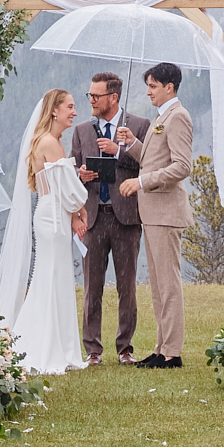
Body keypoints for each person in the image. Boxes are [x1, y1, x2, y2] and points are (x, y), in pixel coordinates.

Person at [0, 90, 89, 375]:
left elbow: (61, 182)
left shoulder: (48, 141)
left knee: (51, 276)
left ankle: (52, 343)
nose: (74, 112)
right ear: (54, 111)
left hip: (50, 212)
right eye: (70, 106)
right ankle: (45, 346)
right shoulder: (50, 142)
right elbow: (67, 189)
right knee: (51, 277)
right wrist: (81, 209)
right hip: (55, 215)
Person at [120, 62, 194, 368]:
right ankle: (162, 347)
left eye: (153, 86)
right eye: (148, 86)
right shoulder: (162, 117)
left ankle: (172, 352)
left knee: (169, 284)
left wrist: (140, 182)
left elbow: (182, 166)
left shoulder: (178, 117)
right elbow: (154, 159)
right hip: (152, 212)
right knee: (158, 285)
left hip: (165, 211)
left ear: (169, 87)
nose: (149, 91)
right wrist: (133, 145)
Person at [70, 70, 147, 364]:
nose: (90, 100)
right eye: (90, 95)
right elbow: (73, 170)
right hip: (93, 217)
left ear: (113, 98)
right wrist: (80, 174)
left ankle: (125, 348)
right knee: (92, 286)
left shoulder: (138, 125)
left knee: (127, 286)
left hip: (126, 218)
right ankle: (93, 350)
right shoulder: (82, 131)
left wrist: (119, 151)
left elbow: (147, 165)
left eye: (96, 96)